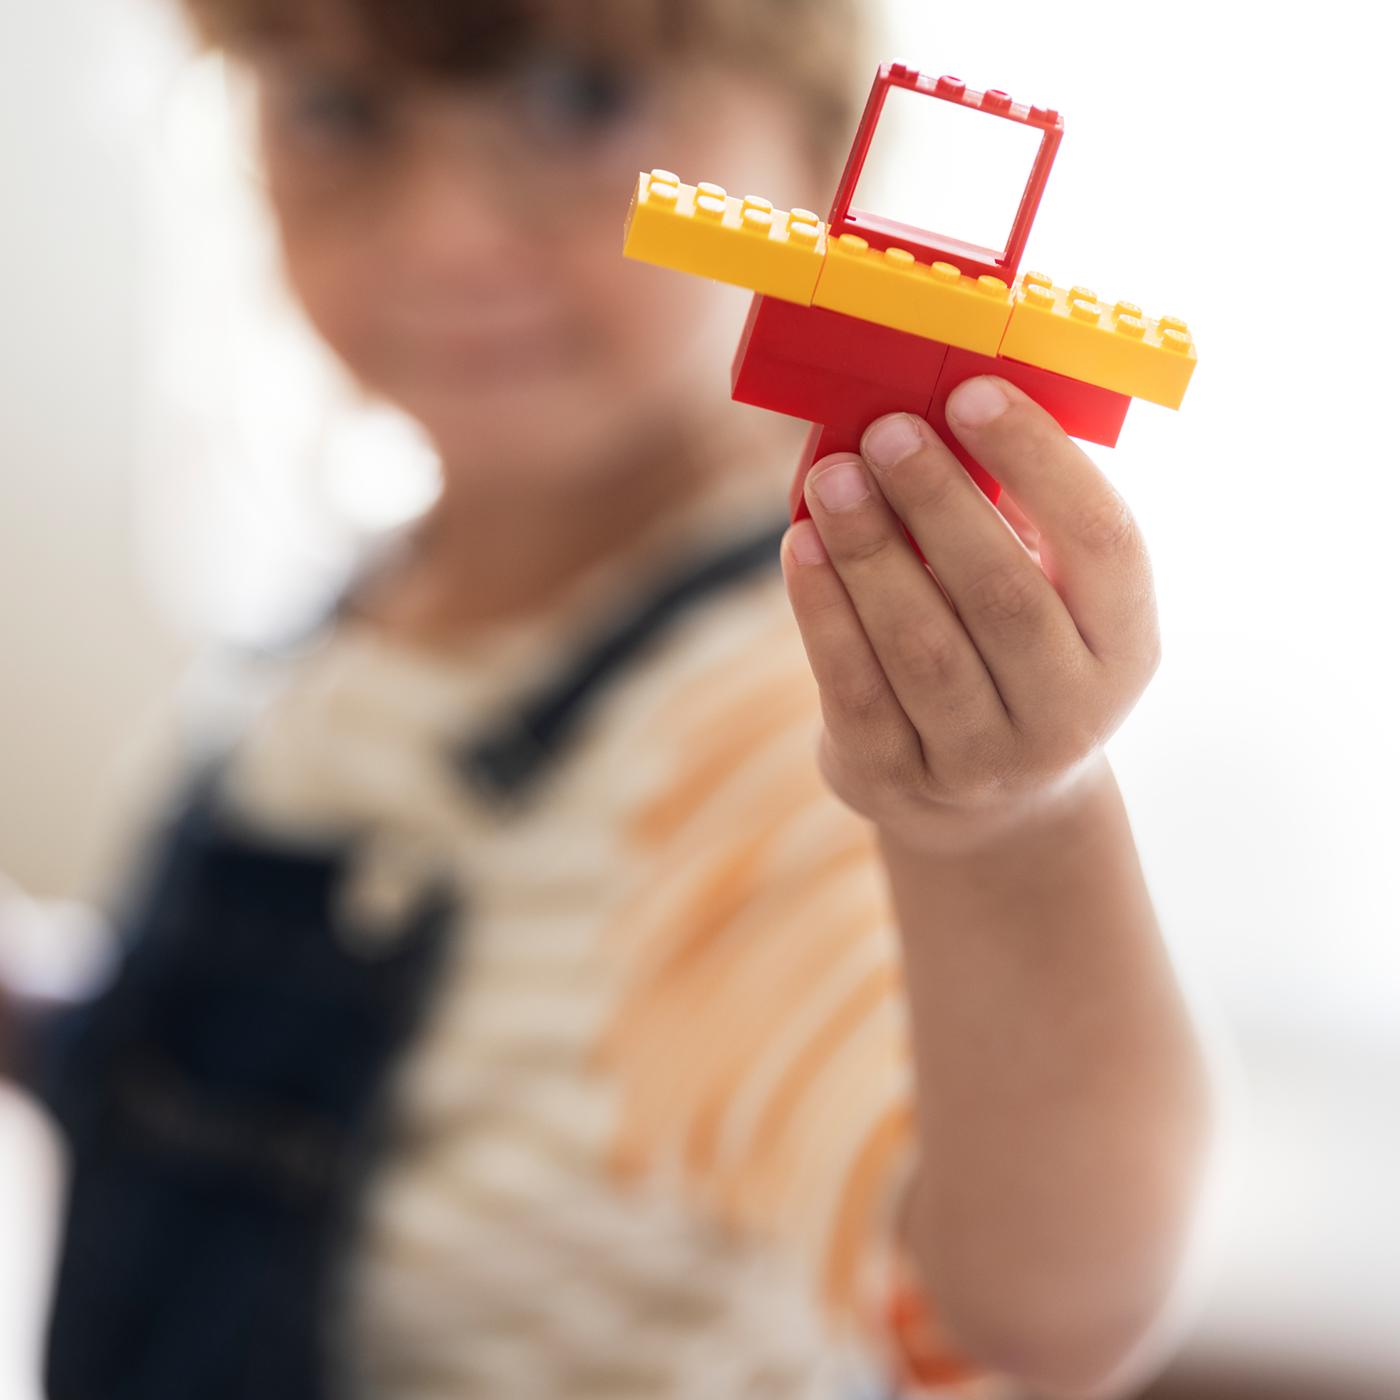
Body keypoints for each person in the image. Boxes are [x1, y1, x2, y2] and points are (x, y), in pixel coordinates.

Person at [27, 1, 1215, 1397]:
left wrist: (1007, 824)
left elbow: (1052, 1302)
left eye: (581, 101)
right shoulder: (350, 626)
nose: (446, 238)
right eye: (337, 111)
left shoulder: (779, 717)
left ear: (822, 143)